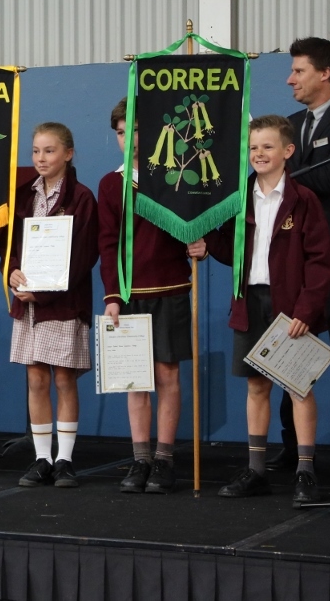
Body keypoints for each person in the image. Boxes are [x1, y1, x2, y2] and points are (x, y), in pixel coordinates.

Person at [207, 115, 330, 504]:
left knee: (298, 387)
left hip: (291, 309)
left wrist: (306, 311)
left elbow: (320, 261)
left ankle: (305, 471)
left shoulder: (303, 199)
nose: (258, 153)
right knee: (256, 385)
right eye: (253, 147)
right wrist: (206, 241)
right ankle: (256, 470)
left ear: (287, 151)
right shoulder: (238, 198)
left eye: (267, 146)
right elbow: (230, 250)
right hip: (250, 302)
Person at [98, 98, 206, 495]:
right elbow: (108, 243)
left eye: (137, 130)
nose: (129, 139)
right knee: (135, 380)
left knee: (167, 375)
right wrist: (112, 295)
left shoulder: (177, 174)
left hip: (171, 288)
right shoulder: (111, 184)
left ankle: (164, 458)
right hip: (130, 294)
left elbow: (196, 222)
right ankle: (140, 457)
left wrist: (201, 244)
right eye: (121, 132)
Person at [3, 123, 99, 488]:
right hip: (28, 303)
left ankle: (64, 459)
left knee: (63, 377)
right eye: (36, 151)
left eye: (49, 151)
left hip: (63, 302)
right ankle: (42, 457)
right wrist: (12, 271)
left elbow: (84, 256)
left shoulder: (81, 198)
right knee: (36, 378)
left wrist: (42, 292)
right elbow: (9, 244)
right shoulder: (24, 195)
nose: (41, 158)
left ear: (68, 154)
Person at [270, 38, 330, 475]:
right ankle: (294, 448)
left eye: (298, 71)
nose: (290, 79)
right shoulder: (291, 125)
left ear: (325, 73)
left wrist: (280, 175)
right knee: (290, 358)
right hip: (295, 266)